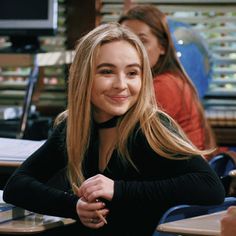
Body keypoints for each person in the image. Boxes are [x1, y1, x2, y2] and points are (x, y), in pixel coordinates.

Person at [3, 22, 225, 236]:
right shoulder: (73, 127)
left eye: (132, 73)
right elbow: (17, 185)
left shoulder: (152, 127)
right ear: (84, 77)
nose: (121, 84)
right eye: (107, 72)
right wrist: (74, 206)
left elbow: (210, 187)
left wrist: (118, 189)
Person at [118, 5, 217, 158]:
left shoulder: (163, 85)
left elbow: (132, 142)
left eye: (142, 41)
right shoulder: (169, 78)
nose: (133, 49)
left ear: (162, 47)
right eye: (126, 41)